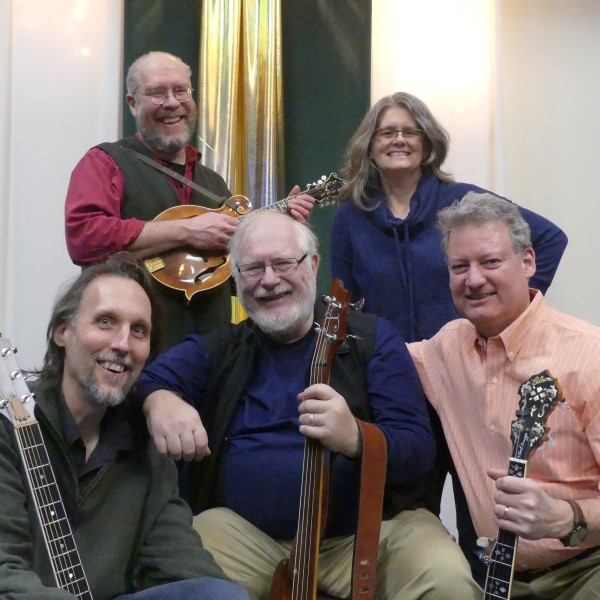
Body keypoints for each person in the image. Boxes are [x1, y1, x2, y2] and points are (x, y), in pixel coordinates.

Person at [134, 211, 482, 600]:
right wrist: (159, 400)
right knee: (173, 572)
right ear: (236, 277)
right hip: (249, 540)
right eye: (253, 268)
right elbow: (144, 379)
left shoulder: (372, 339)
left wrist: (356, 437)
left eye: (283, 263)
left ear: (313, 265)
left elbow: (417, 450)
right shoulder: (223, 347)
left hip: (366, 536)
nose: (269, 280)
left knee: (446, 578)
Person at [330, 91, 568, 578]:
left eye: (408, 130)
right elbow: (343, 302)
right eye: (386, 132)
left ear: (427, 141)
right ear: (369, 145)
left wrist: (508, 309)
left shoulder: (463, 202)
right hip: (395, 389)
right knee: (400, 518)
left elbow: (548, 237)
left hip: (468, 380)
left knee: (479, 515)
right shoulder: (351, 217)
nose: (398, 139)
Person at [0, 253, 251, 600]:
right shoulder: (11, 427)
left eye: (138, 331)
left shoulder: (145, 446)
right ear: (63, 331)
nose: (121, 344)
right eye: (105, 321)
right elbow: (4, 572)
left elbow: (185, 566)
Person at [409, 192, 600, 599]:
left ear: (528, 261)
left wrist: (567, 517)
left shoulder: (589, 357)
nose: (473, 279)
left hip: (587, 571)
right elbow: (375, 357)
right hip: (498, 578)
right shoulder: (447, 347)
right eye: (459, 267)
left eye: (490, 262)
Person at [65, 51, 313, 350]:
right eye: (157, 93)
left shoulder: (213, 183)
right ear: (133, 103)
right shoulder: (104, 162)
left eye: (181, 90)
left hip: (210, 355)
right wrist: (187, 231)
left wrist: (278, 236)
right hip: (130, 355)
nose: (172, 102)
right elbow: (84, 238)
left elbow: (233, 278)